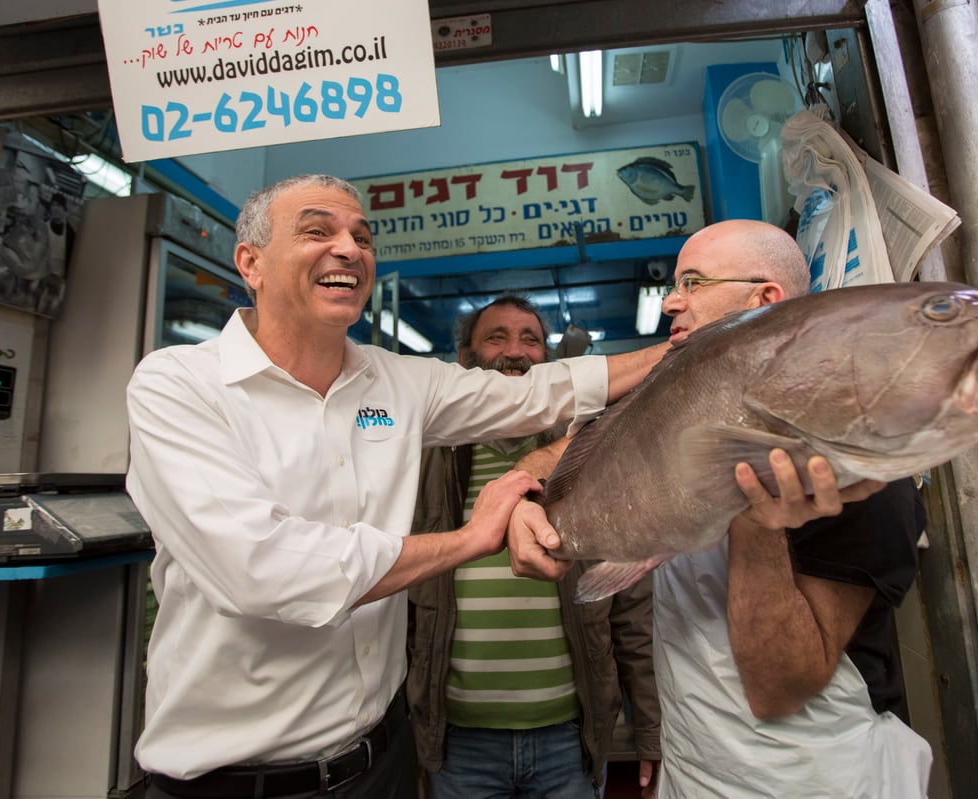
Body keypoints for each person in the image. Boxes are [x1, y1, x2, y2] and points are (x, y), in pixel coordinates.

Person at [124, 174, 666, 799]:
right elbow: (260, 570)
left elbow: (538, 393)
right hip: (233, 783)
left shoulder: (397, 383)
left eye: (362, 236)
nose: (350, 249)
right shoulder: (179, 384)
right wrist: (467, 540)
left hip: (379, 763)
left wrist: (681, 350)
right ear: (251, 262)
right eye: (317, 231)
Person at [509, 219, 932, 798]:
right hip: (694, 770)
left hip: (810, 780)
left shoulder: (849, 457)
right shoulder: (683, 411)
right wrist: (520, 487)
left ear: (764, 301)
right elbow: (586, 448)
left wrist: (755, 519)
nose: (671, 303)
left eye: (694, 282)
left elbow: (779, 687)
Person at [407, 294, 661, 799]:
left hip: (569, 735)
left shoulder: (586, 458)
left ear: (549, 363)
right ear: (466, 360)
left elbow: (630, 604)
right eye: (496, 337)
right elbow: (398, 603)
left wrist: (649, 726)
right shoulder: (423, 459)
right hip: (458, 740)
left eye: (530, 339)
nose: (516, 351)